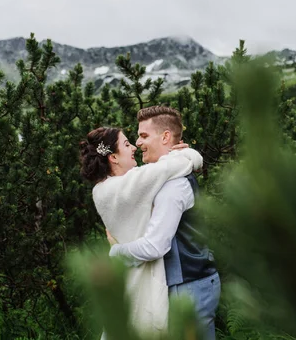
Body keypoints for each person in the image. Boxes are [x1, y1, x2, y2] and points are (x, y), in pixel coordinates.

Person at [107, 106, 221, 340]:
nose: (138, 142)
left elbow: (156, 246)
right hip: (185, 283)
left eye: (144, 135)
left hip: (188, 286)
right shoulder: (167, 172)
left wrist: (116, 252)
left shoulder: (174, 185)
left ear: (166, 137)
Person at [78, 126, 203, 338]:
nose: (134, 147)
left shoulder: (101, 190)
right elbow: (188, 162)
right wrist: (182, 153)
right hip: (145, 278)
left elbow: (158, 170)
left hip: (127, 275)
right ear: (114, 157)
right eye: (126, 144)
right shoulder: (130, 184)